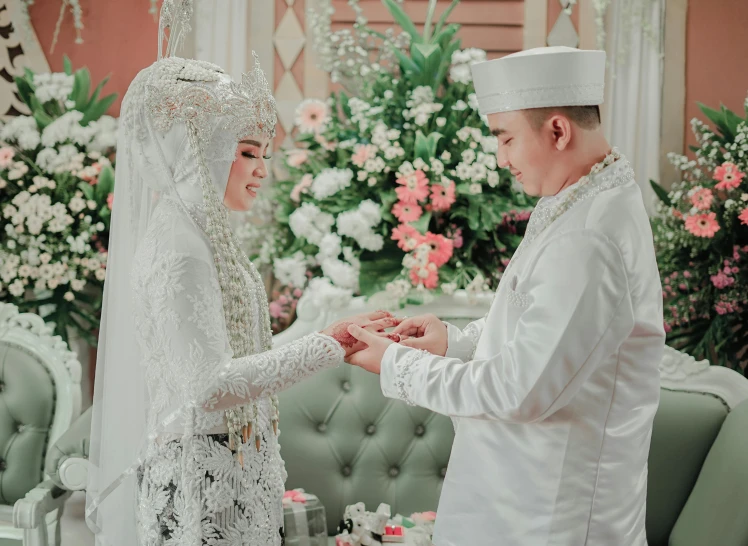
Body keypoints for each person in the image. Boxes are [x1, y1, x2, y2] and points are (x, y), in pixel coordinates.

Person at [85, 2, 399, 545]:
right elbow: (208, 384)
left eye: (265, 153)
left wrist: (342, 334)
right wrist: (327, 344)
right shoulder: (179, 248)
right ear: (200, 148)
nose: (261, 169)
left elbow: (243, 348)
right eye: (248, 151)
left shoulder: (203, 235)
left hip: (231, 467)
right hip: (201, 482)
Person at [346, 46, 665, 545]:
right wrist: (455, 343)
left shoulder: (590, 236)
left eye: (506, 138)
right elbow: (546, 332)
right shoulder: (578, 198)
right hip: (520, 496)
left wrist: (396, 365)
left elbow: (519, 391)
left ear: (558, 131)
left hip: (552, 514)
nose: (502, 159)